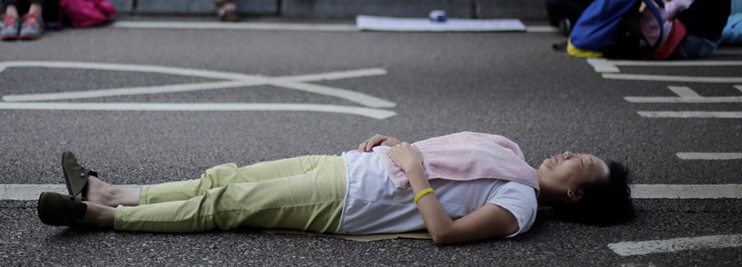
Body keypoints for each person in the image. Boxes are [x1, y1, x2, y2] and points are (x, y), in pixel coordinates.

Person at [36, 131, 633, 243]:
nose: (572, 153)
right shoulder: (509, 150)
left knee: (227, 206)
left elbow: (445, 233)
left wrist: (415, 171)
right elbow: (428, 153)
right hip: (350, 166)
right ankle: (111, 191)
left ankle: (102, 219)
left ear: (578, 195)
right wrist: (396, 143)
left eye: (584, 164)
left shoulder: (520, 205)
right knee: (226, 177)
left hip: (351, 203)